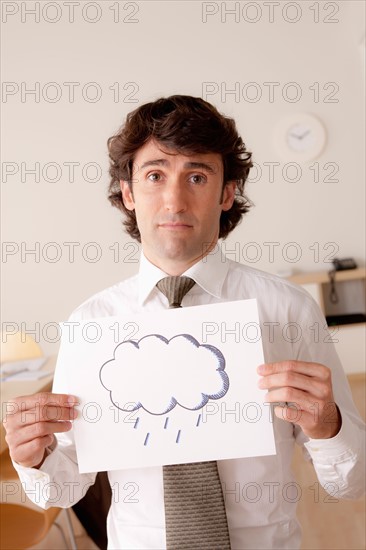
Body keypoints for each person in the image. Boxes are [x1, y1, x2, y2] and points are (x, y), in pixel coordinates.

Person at [3, 95, 365, 549]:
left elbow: (351, 484)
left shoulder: (288, 310)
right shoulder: (91, 325)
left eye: (197, 176)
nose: (174, 200)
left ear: (227, 193)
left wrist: (329, 425)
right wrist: (33, 459)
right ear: (129, 193)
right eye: (155, 175)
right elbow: (68, 486)